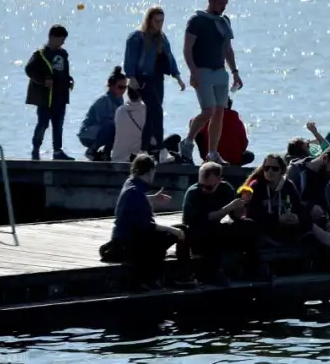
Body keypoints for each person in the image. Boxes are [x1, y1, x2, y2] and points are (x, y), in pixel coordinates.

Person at [245, 153, 330, 269]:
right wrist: (278, 218)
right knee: (312, 228)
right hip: (269, 226)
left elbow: (299, 208)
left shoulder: (287, 186)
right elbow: (252, 213)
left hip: (295, 225)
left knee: (316, 226)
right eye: (266, 168)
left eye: (274, 169)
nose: (270, 171)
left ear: (281, 171)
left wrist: (297, 217)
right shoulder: (257, 187)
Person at [99, 153, 191, 289]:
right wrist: (173, 230)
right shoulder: (136, 193)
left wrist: (153, 198)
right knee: (181, 230)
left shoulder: (130, 184)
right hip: (131, 243)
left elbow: (135, 202)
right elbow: (148, 225)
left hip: (122, 238)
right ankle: (182, 275)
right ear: (149, 172)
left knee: (177, 230)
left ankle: (173, 275)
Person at [181, 0, 242, 165]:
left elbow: (227, 49)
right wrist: (193, 71)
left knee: (219, 112)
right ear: (211, 0)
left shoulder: (224, 21)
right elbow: (187, 49)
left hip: (220, 72)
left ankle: (213, 153)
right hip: (202, 71)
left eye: (225, 4)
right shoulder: (196, 20)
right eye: (220, 3)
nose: (223, 7)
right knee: (208, 110)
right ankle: (187, 142)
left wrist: (235, 73)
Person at [123, 6, 186, 154]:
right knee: (157, 111)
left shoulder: (162, 38)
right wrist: (131, 77)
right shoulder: (137, 36)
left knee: (152, 115)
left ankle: (143, 150)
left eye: (162, 21)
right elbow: (130, 59)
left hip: (158, 79)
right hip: (143, 79)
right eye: (156, 21)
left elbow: (169, 57)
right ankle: (161, 149)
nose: (159, 24)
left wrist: (178, 77)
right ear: (149, 20)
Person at [179, 161, 253, 285]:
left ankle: (252, 265)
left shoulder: (225, 188)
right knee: (212, 228)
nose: (204, 189)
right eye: (201, 184)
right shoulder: (194, 193)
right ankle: (212, 273)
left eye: (208, 187)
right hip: (197, 232)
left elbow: (235, 216)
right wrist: (227, 208)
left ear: (219, 181)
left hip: (215, 228)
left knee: (248, 225)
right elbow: (204, 218)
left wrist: (241, 205)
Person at [24, 24, 75, 160]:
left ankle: (58, 151)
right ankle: (36, 149)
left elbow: (64, 72)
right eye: (61, 39)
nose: (63, 42)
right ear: (52, 37)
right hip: (46, 98)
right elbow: (28, 70)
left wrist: (69, 80)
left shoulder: (63, 54)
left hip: (60, 97)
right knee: (43, 124)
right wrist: (42, 80)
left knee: (58, 125)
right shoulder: (40, 54)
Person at [77, 67, 127, 161]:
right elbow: (103, 122)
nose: (123, 90)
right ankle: (91, 150)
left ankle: (105, 154)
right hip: (88, 134)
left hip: (101, 131)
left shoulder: (120, 100)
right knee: (112, 125)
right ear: (111, 86)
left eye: (125, 87)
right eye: (120, 87)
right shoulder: (103, 101)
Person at [193, 98, 255, 166]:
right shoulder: (238, 122)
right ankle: (235, 166)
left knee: (197, 135)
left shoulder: (205, 119)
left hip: (210, 156)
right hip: (233, 159)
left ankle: (207, 160)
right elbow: (244, 143)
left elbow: (193, 125)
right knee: (250, 156)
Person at [112, 79, 148, 163]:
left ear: (128, 93)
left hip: (117, 158)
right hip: (136, 160)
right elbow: (153, 141)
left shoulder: (119, 111)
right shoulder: (146, 110)